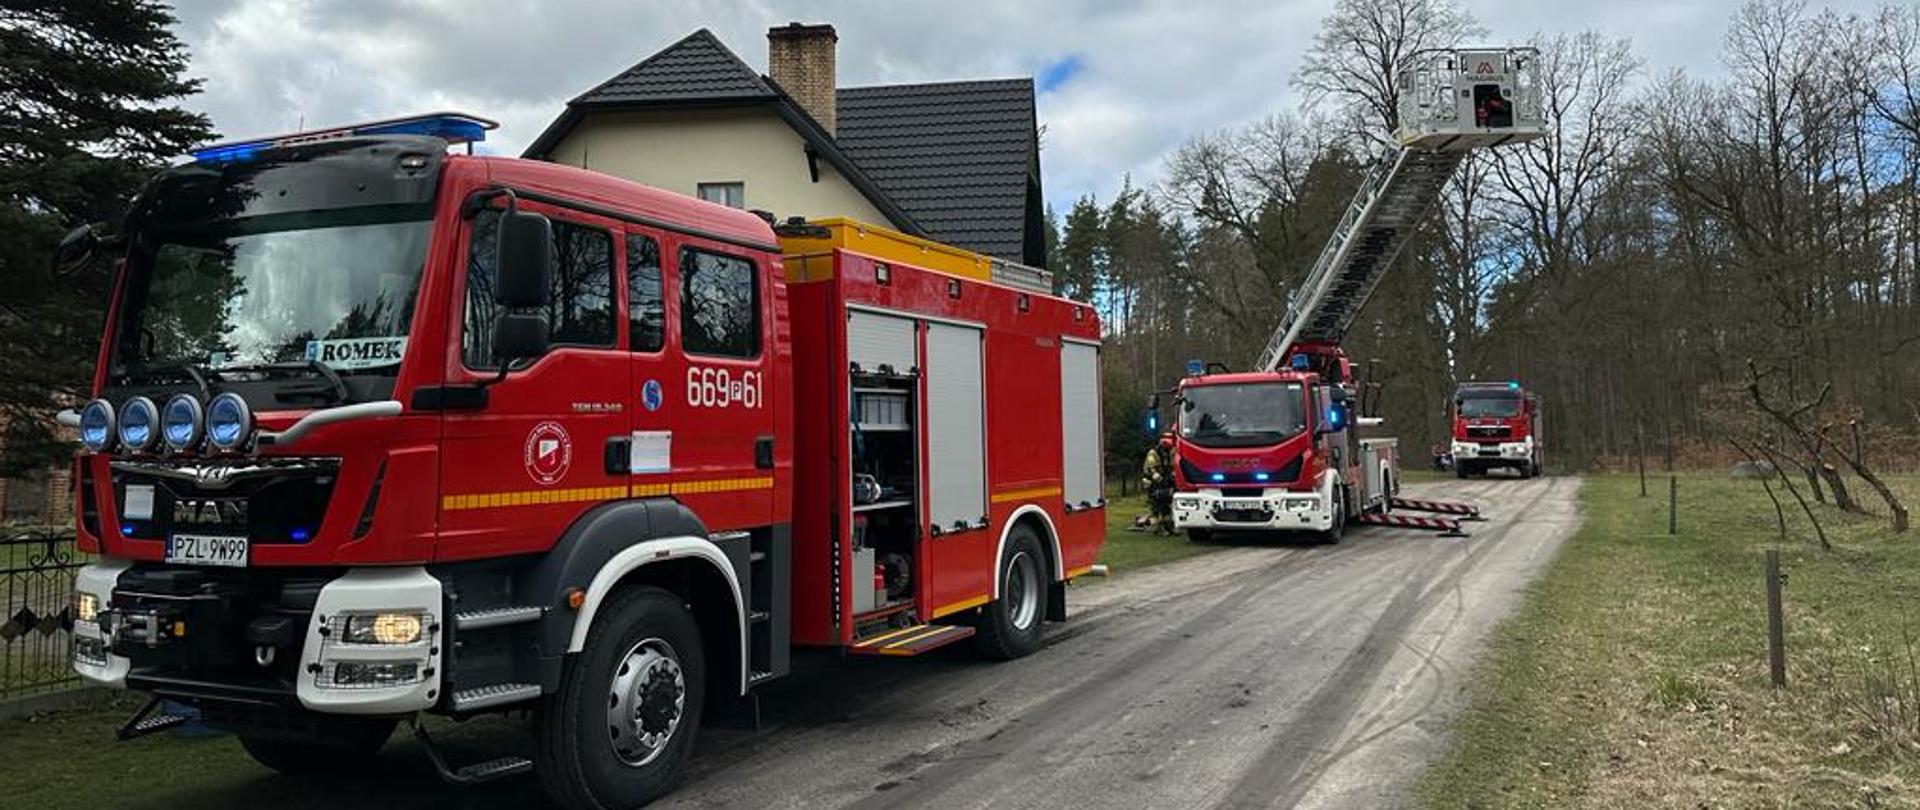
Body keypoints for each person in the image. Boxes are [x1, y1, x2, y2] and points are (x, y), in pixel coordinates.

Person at [1141, 433, 1176, 536]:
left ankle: (1169, 527)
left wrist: (1171, 478)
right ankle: (1157, 528)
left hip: (1163, 483)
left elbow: (1170, 466)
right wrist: (1161, 479)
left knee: (1166, 506)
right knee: (1156, 507)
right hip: (1153, 484)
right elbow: (1152, 470)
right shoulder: (1153, 453)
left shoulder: (1168, 452)